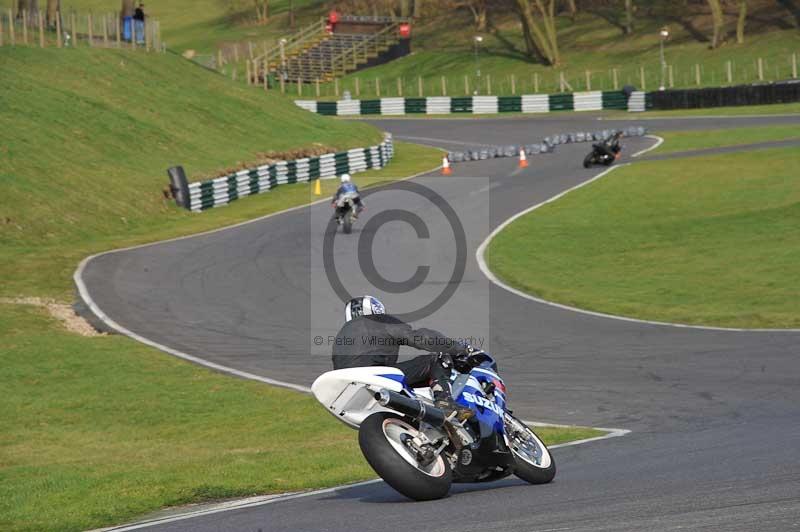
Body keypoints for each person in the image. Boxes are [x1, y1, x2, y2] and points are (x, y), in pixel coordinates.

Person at [331, 295, 474, 419]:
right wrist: (460, 348)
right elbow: (421, 338)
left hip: (347, 388)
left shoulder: (340, 337)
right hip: (375, 376)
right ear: (376, 310)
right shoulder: (379, 321)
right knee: (437, 359)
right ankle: (445, 402)